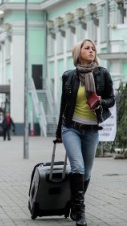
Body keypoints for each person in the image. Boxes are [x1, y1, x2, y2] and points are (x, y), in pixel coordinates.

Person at [55, 39, 115, 226]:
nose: (91, 50)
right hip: (71, 128)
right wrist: (59, 132)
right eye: (87, 48)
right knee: (78, 167)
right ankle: (80, 214)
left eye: (93, 48)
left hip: (91, 130)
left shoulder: (102, 74)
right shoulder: (69, 76)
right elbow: (64, 105)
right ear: (78, 52)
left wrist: (100, 102)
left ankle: (74, 206)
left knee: (87, 172)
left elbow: (111, 99)